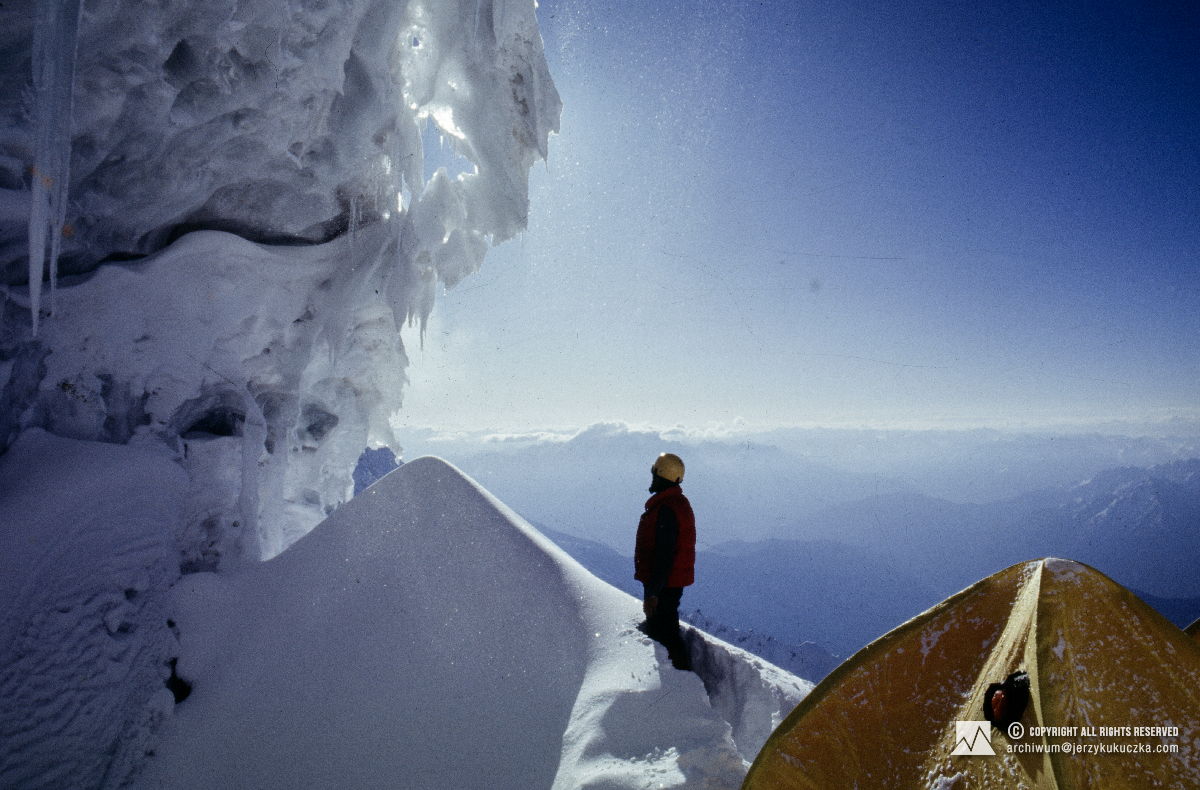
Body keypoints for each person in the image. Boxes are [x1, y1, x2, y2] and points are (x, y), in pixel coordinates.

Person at [634, 452, 696, 670]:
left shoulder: (666, 508)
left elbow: (663, 555)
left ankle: (681, 678)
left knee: (663, 633)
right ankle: (680, 674)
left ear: (661, 475)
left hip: (663, 584)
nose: (652, 478)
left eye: (654, 474)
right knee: (666, 628)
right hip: (669, 582)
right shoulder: (675, 503)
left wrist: (653, 593)